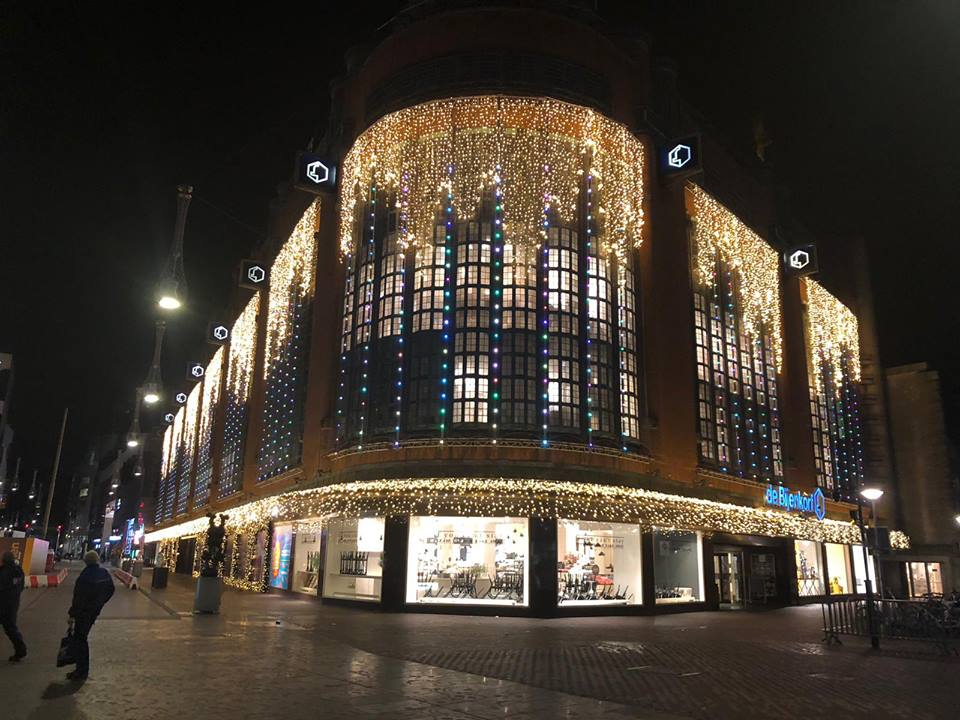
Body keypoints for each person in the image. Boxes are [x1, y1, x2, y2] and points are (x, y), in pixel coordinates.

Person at [67, 550, 115, 680]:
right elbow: (111, 590)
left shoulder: (85, 576)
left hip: (83, 613)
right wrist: (100, 603)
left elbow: (78, 598)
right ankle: (81, 669)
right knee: (81, 639)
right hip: (93, 611)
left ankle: (81, 671)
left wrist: (72, 615)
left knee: (80, 640)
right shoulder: (104, 574)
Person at [0, 551, 27, 662]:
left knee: (10, 628)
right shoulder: (18, 571)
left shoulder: (4, 571)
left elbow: (2, 587)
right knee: (11, 628)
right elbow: (20, 587)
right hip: (12, 603)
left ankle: (21, 650)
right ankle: (20, 650)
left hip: (3, 604)